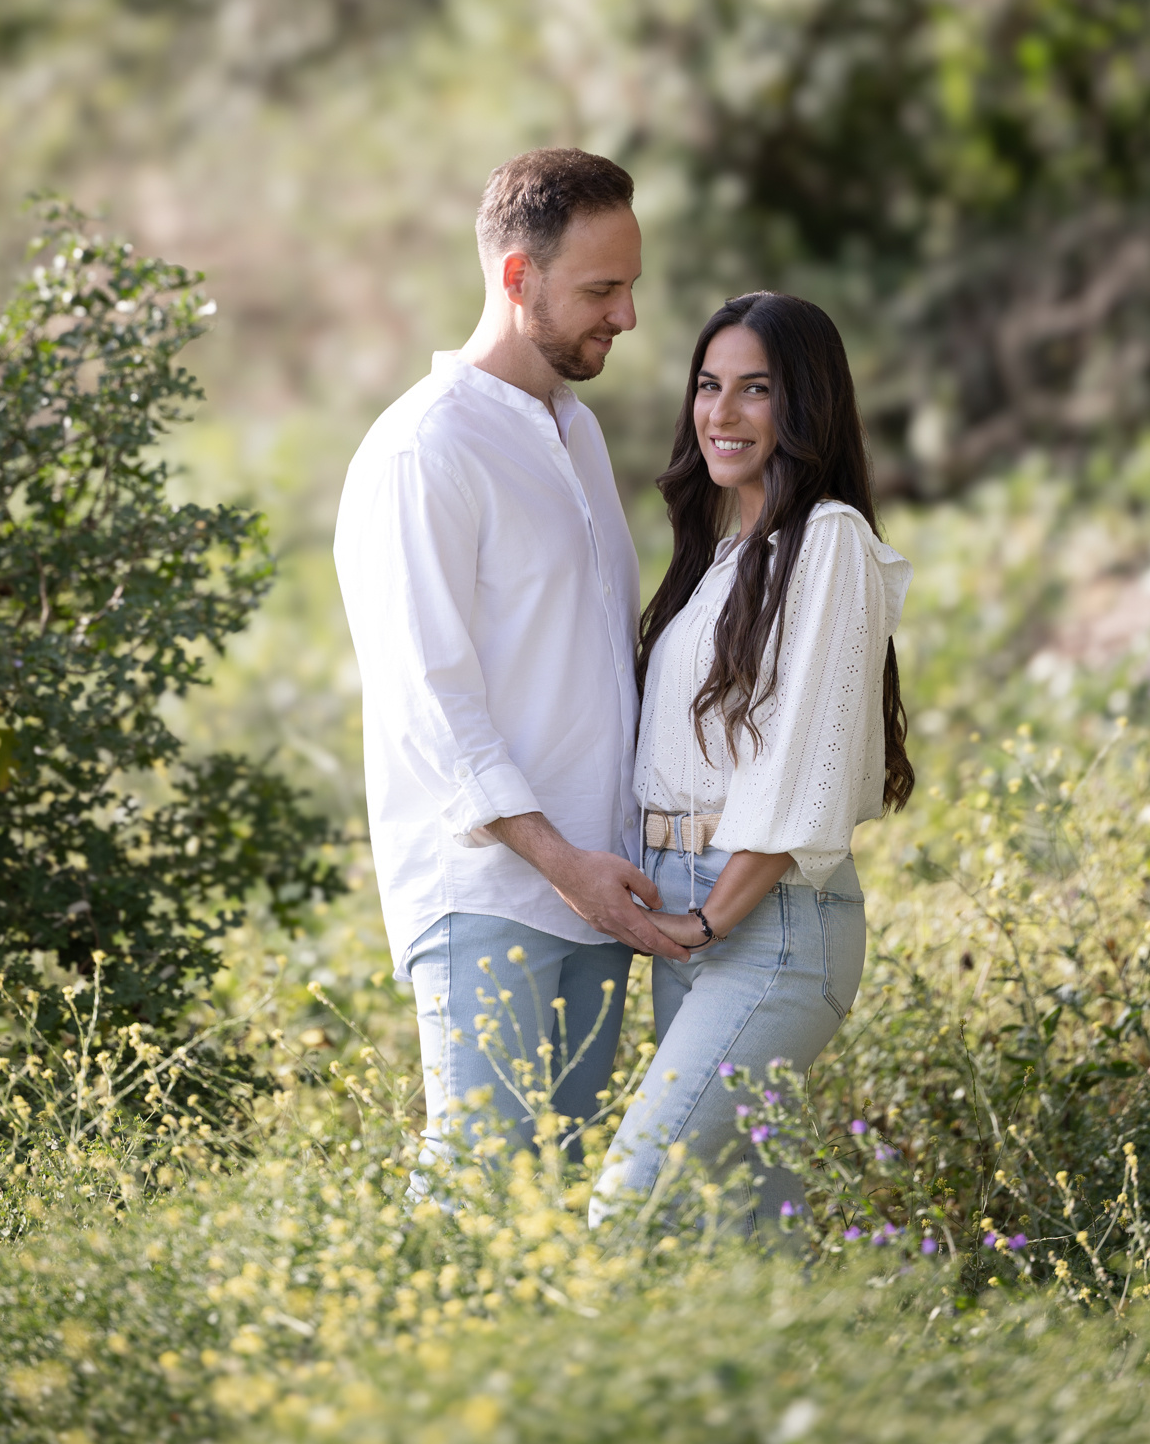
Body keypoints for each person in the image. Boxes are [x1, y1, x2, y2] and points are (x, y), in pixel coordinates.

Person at [334, 147, 688, 1160]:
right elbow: (428, 699)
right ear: (517, 279)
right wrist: (561, 863)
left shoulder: (571, 432)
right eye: (600, 289)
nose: (624, 316)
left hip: (596, 891)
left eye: (630, 286)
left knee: (551, 1202)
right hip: (491, 892)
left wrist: (601, 865)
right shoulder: (424, 449)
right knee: (476, 1190)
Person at [591, 290, 914, 1234]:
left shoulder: (829, 541)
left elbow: (800, 762)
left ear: (803, 405)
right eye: (707, 386)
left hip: (760, 922)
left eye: (755, 390)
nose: (721, 413)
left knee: (631, 1208)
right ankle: (832, 1376)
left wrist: (705, 918)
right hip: (682, 904)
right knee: (736, 1233)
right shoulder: (726, 553)